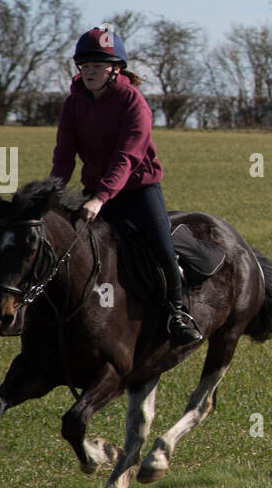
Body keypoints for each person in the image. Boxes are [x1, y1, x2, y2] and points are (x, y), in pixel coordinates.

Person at [50, 27, 202, 345]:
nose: (89, 71)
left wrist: (101, 198)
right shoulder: (74, 103)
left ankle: (177, 314)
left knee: (161, 249)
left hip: (138, 191)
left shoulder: (134, 103)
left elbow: (127, 158)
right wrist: (53, 193)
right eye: (84, 65)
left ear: (116, 69)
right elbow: (64, 156)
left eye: (97, 66)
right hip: (96, 192)